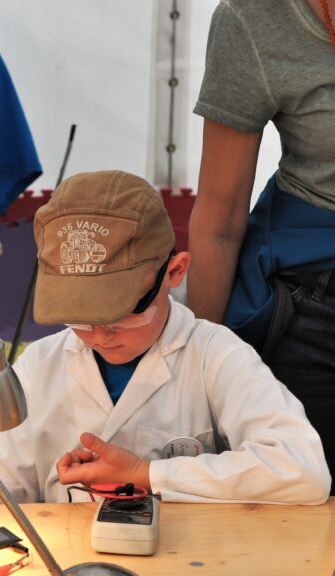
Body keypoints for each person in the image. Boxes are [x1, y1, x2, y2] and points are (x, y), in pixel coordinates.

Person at [0, 170, 331, 507]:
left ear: (175, 272)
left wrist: (147, 475)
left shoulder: (214, 355)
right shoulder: (37, 369)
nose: (98, 334)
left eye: (118, 313)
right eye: (79, 314)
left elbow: (303, 470)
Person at [188, 0, 335, 493]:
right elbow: (219, 218)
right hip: (314, 299)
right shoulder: (253, 20)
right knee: (307, 509)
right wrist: (202, 366)